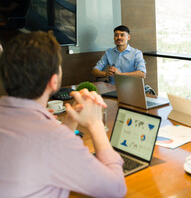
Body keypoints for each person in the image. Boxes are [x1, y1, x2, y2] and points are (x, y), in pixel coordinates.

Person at [0, 31, 127, 197]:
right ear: (53, 82)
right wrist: (96, 124)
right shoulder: (53, 139)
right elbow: (115, 189)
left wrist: (70, 118)